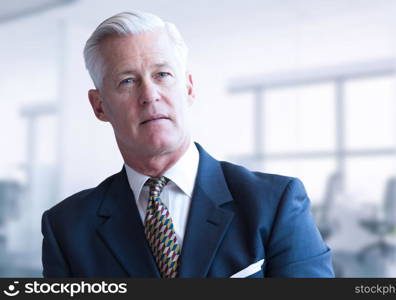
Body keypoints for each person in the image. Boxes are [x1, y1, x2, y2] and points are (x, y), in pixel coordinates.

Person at [41, 11, 334, 278]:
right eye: (128, 81)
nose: (150, 95)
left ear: (189, 88)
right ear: (99, 106)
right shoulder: (66, 228)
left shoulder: (274, 203)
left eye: (162, 75)